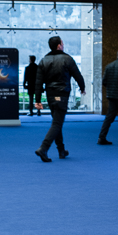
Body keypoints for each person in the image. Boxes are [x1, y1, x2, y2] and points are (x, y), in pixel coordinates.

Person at [34, 35, 85, 163]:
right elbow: (78, 75)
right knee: (57, 123)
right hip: (62, 95)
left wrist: (38, 100)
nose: (63, 45)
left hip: (50, 95)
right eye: (62, 43)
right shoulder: (67, 59)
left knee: (57, 122)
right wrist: (82, 88)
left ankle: (61, 150)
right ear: (59, 46)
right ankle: (43, 148)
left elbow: (38, 82)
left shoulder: (43, 60)